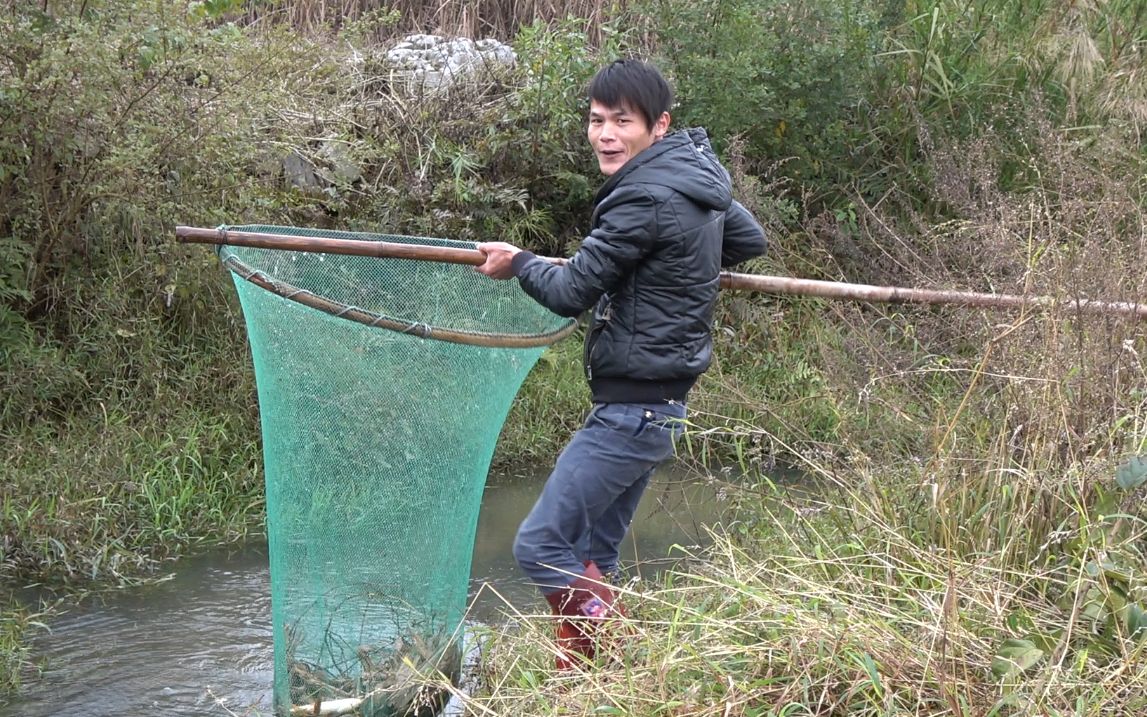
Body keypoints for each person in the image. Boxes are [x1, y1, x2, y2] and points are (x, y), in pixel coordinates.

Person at [474, 58, 767, 669]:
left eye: (621, 122)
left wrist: (521, 263)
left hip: (631, 409)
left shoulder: (641, 193)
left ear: (658, 127)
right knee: (592, 554)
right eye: (597, 120)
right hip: (660, 406)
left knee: (540, 545)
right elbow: (747, 240)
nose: (606, 135)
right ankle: (583, 679)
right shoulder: (693, 181)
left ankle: (622, 646)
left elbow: (569, 293)